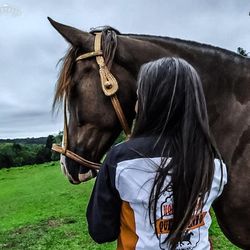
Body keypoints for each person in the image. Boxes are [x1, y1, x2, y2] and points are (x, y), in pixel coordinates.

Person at [86, 57, 227, 250]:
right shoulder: (215, 160)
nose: (135, 107)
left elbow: (101, 231)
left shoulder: (120, 160)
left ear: (150, 101)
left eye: (139, 97)